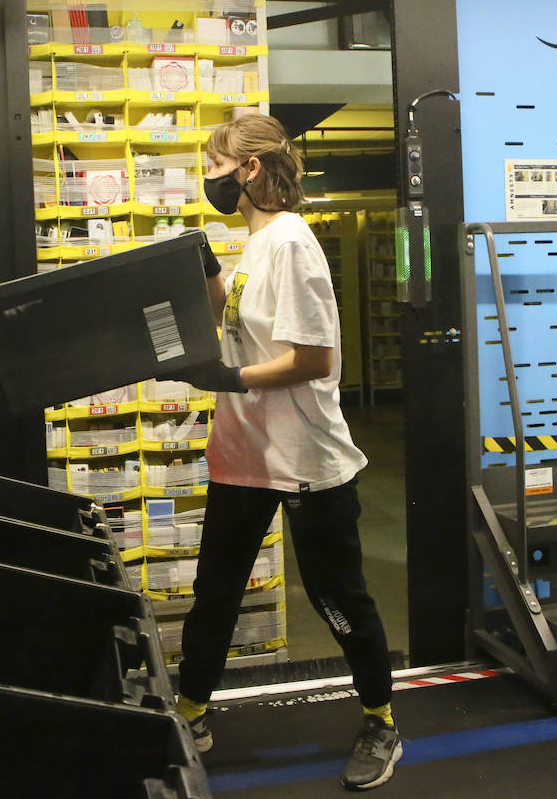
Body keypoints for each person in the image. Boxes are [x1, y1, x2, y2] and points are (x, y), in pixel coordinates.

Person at [168, 114, 401, 791]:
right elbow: (234, 325)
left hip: (304, 460)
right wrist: (206, 270)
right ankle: (191, 714)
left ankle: (381, 720)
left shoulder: (294, 243)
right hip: (243, 453)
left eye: (214, 164)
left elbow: (314, 358)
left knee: (338, 598)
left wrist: (230, 378)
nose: (206, 176)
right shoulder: (256, 243)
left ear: (249, 170)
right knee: (214, 594)